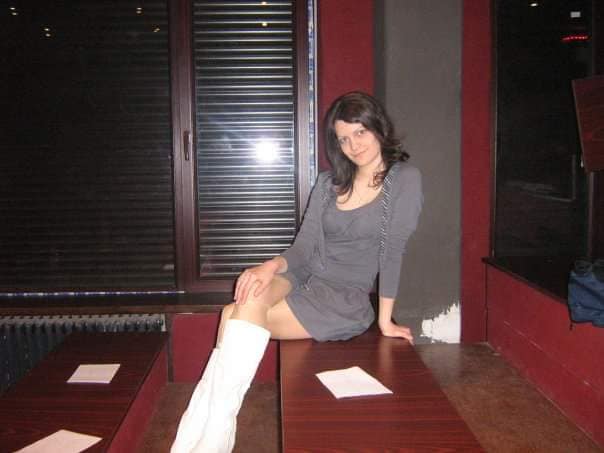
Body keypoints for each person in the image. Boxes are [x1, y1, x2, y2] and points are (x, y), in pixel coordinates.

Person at [170, 91, 423, 453]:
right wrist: (268, 266)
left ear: (378, 127)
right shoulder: (328, 184)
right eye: (343, 139)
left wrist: (385, 321)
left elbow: (393, 251)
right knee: (249, 298)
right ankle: (208, 440)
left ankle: (202, 441)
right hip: (302, 279)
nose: (353, 145)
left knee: (232, 315)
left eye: (360, 132)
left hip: (342, 299)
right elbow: (303, 248)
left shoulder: (403, 180)